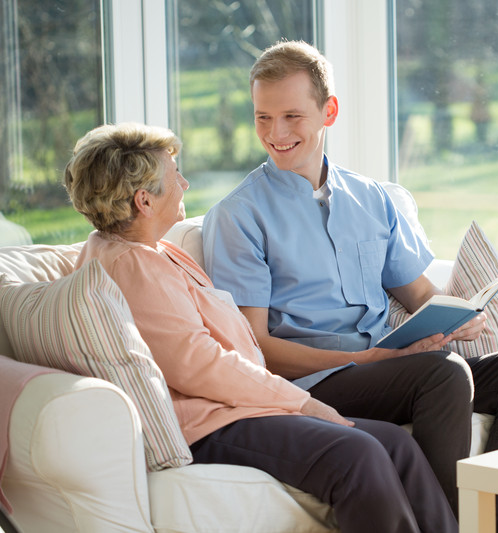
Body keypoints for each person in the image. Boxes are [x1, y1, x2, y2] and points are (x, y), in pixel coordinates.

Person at [202, 40, 498, 532]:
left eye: (291, 116)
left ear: (328, 111)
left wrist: (458, 315)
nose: (276, 133)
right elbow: (257, 351)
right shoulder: (239, 216)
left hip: (389, 365)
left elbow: (416, 294)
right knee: (443, 374)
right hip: (317, 379)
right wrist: (369, 360)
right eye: (263, 118)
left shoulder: (371, 198)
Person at [63, 122, 457, 533]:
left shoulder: (147, 251)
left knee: (396, 443)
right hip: (213, 424)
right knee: (358, 455)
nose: (184, 183)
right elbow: (201, 365)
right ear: (144, 200)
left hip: (241, 409)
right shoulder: (134, 266)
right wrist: (301, 402)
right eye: (173, 175)